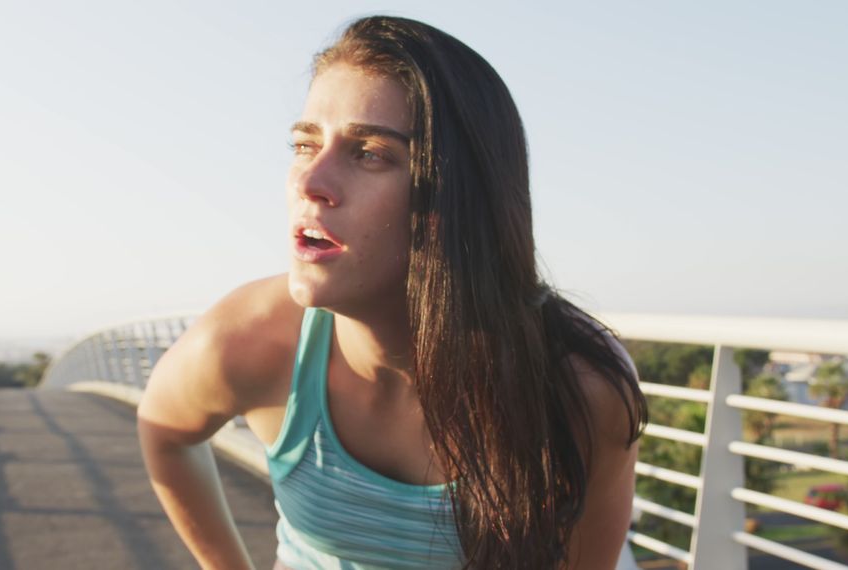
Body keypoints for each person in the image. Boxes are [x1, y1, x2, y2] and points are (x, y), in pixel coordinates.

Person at [137, 15, 648, 569]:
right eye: (304, 145)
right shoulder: (250, 340)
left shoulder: (580, 387)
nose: (309, 183)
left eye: (370, 154)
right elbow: (165, 431)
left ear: (453, 199)